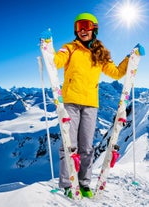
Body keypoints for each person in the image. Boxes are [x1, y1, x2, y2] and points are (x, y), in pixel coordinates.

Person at [48, 12, 144, 199]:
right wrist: (48, 48)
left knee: (86, 147)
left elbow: (115, 73)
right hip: (71, 102)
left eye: (86, 26)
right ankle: (68, 184)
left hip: (91, 104)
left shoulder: (100, 54)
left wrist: (130, 58)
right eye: (79, 27)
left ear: (94, 29)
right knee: (69, 145)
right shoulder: (69, 49)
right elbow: (56, 62)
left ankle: (84, 184)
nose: (83, 30)